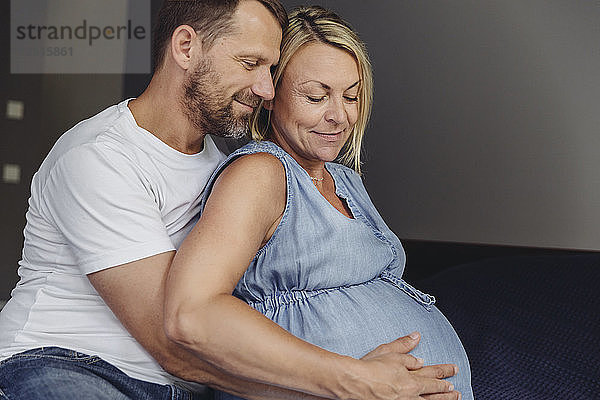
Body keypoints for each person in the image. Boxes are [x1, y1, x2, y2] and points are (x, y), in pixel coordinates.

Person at [0, 1, 459, 399]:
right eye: (250, 63)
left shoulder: (217, 162)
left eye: (271, 69)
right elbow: (174, 339)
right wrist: (352, 381)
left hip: (182, 388)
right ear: (185, 47)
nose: (265, 88)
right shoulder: (98, 158)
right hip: (71, 364)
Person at [164, 5, 473, 400]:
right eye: (316, 95)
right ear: (272, 95)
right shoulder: (260, 174)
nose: (339, 116)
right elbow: (194, 311)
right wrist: (356, 380)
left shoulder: (344, 180)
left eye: (351, 96)